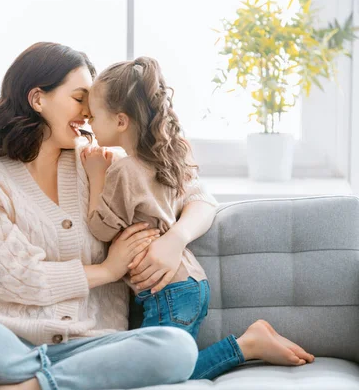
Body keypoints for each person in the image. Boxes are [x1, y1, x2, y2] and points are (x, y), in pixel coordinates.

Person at [0, 43, 313, 390]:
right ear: (38, 98)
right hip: (3, 338)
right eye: (79, 97)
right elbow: (18, 278)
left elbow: (197, 194)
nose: (89, 113)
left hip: (96, 345)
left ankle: (23, 385)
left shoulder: (102, 165)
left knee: (174, 348)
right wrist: (107, 269)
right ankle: (51, 380)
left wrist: (174, 241)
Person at [81, 56, 314, 380]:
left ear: (121, 121)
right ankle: (250, 343)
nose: (88, 123)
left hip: (167, 292)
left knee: (161, 375)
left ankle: (247, 345)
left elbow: (101, 228)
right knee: (166, 366)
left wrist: (96, 176)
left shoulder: (123, 170)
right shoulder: (162, 160)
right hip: (188, 284)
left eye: (93, 116)